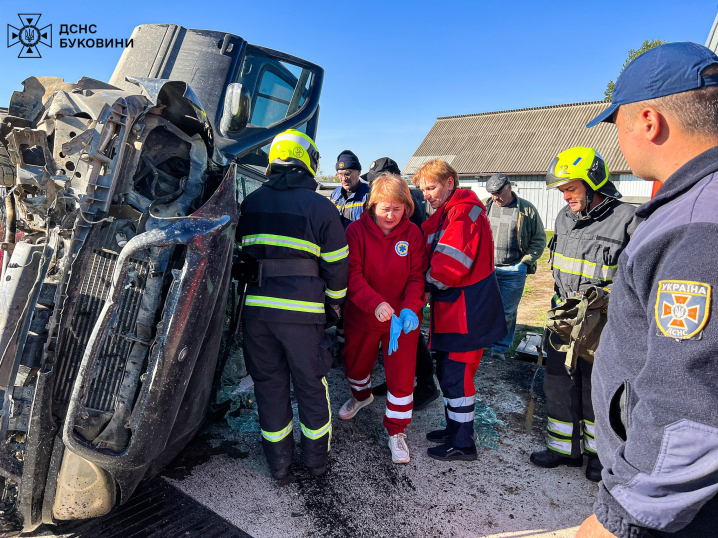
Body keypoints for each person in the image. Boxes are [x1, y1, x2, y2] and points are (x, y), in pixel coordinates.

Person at [576, 42, 718, 538]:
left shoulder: (697, 224)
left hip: (678, 518)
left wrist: (624, 517)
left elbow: (692, 403)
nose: (618, 139)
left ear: (649, 121)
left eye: (618, 123)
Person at [239, 129, 348, 484]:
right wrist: (333, 307)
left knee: (268, 386)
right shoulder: (321, 207)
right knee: (310, 386)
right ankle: (316, 463)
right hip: (302, 317)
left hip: (256, 314)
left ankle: (279, 466)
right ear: (308, 162)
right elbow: (336, 266)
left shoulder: (250, 202)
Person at [529, 147, 638, 483]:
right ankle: (564, 450)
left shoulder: (628, 219)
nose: (565, 197)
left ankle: (597, 455)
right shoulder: (564, 218)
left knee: (597, 390)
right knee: (558, 384)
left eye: (570, 188)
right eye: (562, 190)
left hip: (603, 324)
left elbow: (636, 278)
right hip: (564, 319)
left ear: (594, 184)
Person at [414, 158, 506, 461]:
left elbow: (448, 266)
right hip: (459, 309)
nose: (426, 194)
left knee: (457, 375)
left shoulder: (463, 214)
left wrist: (422, 287)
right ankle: (455, 429)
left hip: (467, 311)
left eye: (432, 187)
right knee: (450, 372)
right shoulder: (451, 213)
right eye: (423, 189)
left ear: (450, 183)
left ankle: (463, 444)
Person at [338, 173, 427, 463]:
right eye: (384, 208)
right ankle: (361, 397)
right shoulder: (355, 232)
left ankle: (397, 431)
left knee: (401, 377)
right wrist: (375, 303)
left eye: (397, 209)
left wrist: (412, 308)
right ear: (372, 205)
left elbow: (416, 277)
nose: (391, 215)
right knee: (355, 364)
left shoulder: (413, 234)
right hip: (364, 314)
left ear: (407, 208)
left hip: (402, 320)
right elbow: (352, 275)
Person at [365, 157, 441, 410]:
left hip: (413, 281)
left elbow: (412, 242)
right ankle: (394, 379)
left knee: (411, 335)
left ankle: (426, 386)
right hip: (396, 283)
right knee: (395, 337)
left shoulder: (409, 202)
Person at [484, 173, 546, 360]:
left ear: (509, 187)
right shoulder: (484, 207)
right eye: (492, 193)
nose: (496, 197)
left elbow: (539, 239)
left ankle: (499, 348)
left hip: (513, 269)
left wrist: (524, 263)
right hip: (486, 270)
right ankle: (482, 341)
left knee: (507, 311)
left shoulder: (526, 210)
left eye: (498, 192)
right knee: (484, 307)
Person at [330, 150, 370, 228]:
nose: (344, 178)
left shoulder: (370, 194)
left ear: (359, 172)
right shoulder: (335, 194)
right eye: (340, 174)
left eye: (348, 174)